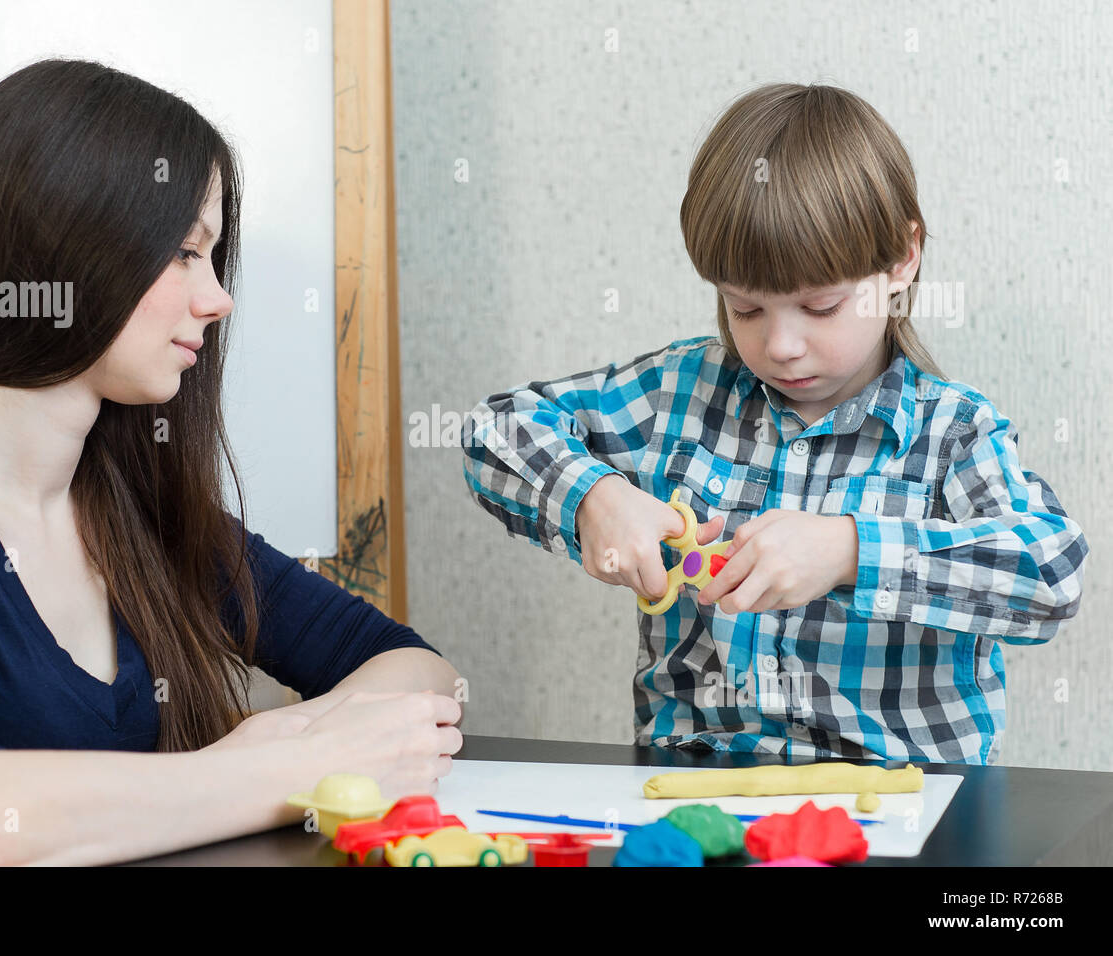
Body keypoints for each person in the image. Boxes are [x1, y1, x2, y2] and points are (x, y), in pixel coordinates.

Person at [0, 59, 461, 867]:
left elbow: (417, 668)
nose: (217, 298)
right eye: (186, 252)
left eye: (215, 257)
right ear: (66, 245)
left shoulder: (138, 507)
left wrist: (283, 744)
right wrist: (287, 765)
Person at [462, 83, 1087, 764]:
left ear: (901, 258)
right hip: (697, 793)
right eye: (746, 309)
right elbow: (496, 430)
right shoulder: (679, 392)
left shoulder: (952, 435)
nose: (780, 345)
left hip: (904, 808)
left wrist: (851, 552)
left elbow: (1050, 576)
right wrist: (594, 498)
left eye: (820, 307)